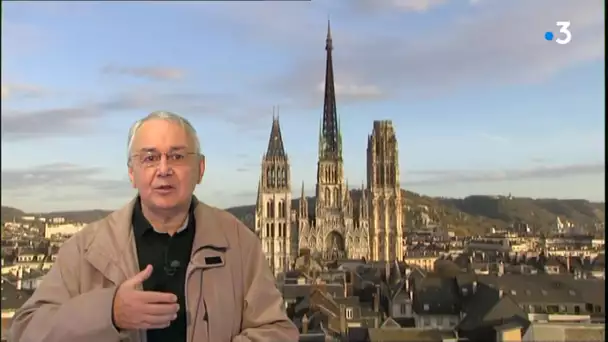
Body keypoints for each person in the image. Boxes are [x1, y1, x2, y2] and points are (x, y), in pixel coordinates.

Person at [9, 111, 299, 342]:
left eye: (177, 156)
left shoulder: (240, 243)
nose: (163, 169)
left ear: (200, 169)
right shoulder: (85, 248)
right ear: (132, 173)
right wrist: (109, 312)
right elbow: (25, 331)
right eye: (150, 157)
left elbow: (278, 331)